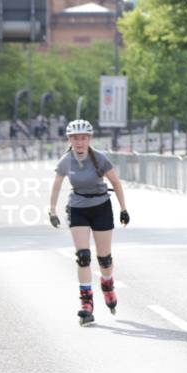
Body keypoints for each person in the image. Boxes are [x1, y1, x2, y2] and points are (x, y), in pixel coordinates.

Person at [48, 119, 130, 326]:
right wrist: (52, 209)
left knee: (104, 259)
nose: (79, 142)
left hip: (101, 207)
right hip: (77, 208)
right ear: (69, 139)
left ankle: (107, 283)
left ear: (89, 139)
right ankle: (87, 304)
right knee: (83, 257)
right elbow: (57, 185)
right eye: (75, 138)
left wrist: (123, 209)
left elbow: (116, 183)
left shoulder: (99, 158)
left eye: (83, 138)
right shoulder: (66, 161)